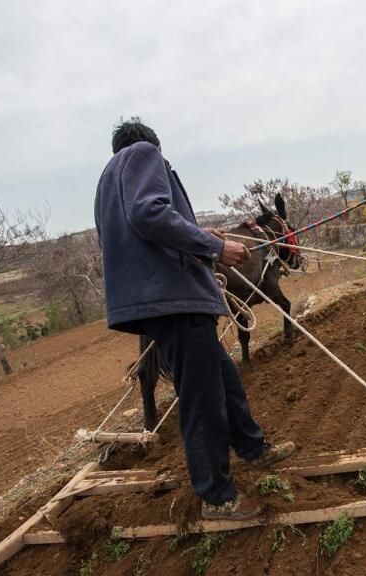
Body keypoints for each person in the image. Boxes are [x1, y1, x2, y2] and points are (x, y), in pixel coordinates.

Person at [94, 118, 293, 520]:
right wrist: (213, 247)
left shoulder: (107, 182)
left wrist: (201, 235)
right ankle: (217, 497)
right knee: (202, 400)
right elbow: (149, 214)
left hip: (159, 302)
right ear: (155, 146)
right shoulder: (143, 154)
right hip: (176, 299)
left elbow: (142, 231)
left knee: (224, 379)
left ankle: (254, 449)